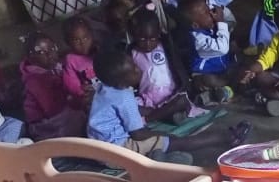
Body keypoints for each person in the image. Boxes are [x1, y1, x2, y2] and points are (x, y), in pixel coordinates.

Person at [87, 48, 227, 161]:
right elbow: (138, 134)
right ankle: (221, 138)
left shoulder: (104, 88)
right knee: (172, 141)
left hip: (99, 149)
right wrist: (163, 135)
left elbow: (126, 111)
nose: (139, 69)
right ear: (121, 82)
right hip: (118, 153)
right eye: (134, 70)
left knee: (155, 138)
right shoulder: (124, 96)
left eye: (135, 65)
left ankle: (159, 157)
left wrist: (149, 114)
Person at [129, 8, 199, 122]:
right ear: (134, 35)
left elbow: (185, 24)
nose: (147, 44)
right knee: (131, 108)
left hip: (171, 95)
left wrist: (164, 5)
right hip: (147, 98)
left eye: (152, 39)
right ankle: (166, 115)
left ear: (159, 34)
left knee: (181, 100)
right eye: (142, 39)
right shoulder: (131, 53)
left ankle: (162, 115)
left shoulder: (167, 45)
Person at [20, 32, 88, 141]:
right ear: (31, 57)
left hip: (60, 109)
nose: (50, 54)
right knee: (78, 118)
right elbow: (52, 109)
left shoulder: (56, 67)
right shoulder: (35, 80)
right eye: (42, 52)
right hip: (44, 122)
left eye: (52, 49)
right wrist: (74, 100)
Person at [177, 0, 237, 91]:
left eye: (209, 9)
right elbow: (222, 48)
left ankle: (226, 88)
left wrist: (221, 11)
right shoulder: (198, 40)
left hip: (223, 69)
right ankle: (228, 87)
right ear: (195, 25)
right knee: (209, 80)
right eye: (206, 12)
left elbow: (232, 22)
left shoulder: (210, 27)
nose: (211, 13)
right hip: (205, 73)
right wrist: (221, 22)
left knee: (241, 66)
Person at [61, 15, 97, 108]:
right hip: (88, 94)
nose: (82, 43)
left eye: (86, 38)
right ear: (68, 42)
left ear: (92, 36)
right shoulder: (70, 59)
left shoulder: (98, 51)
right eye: (76, 40)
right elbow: (71, 83)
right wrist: (81, 91)